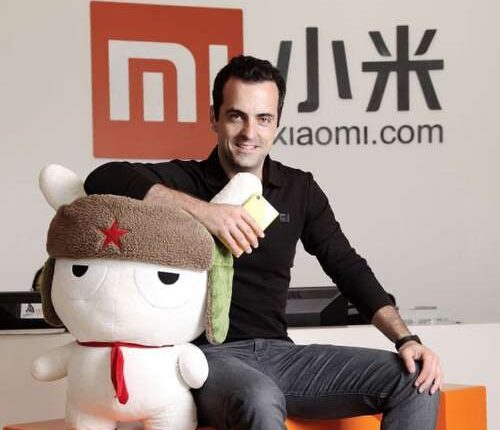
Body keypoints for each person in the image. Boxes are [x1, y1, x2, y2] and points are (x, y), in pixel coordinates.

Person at [85, 55, 443, 430]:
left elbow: (347, 266)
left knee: (415, 379)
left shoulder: (298, 188)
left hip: (281, 355)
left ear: (277, 125)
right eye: (236, 116)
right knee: (259, 396)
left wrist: (406, 338)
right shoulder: (187, 180)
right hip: (207, 360)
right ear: (214, 118)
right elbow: (102, 178)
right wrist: (205, 212)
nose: (249, 132)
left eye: (263, 119)